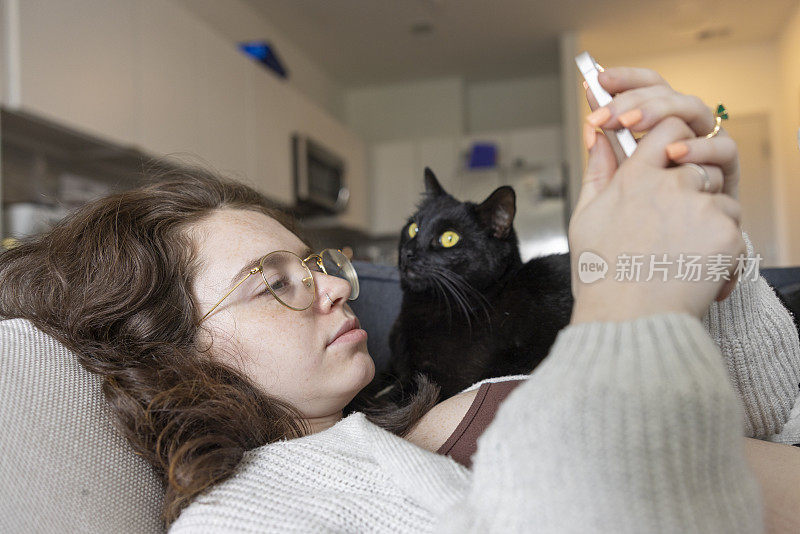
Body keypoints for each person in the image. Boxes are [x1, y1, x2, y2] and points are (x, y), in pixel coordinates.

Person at [0, 66, 798, 533]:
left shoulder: (404, 408)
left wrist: (712, 269)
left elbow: (763, 412)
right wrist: (631, 312)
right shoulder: (248, 519)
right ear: (172, 352)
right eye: (273, 283)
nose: (342, 285)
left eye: (315, 263)